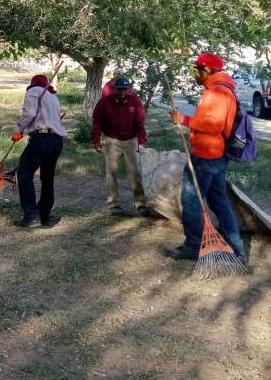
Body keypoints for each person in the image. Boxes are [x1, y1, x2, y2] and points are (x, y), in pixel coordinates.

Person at [165, 52, 246, 262]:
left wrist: (184, 119)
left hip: (206, 155)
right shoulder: (223, 89)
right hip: (217, 155)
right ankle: (236, 248)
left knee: (191, 201)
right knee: (219, 200)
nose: (196, 75)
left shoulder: (217, 92)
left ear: (207, 69)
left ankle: (193, 246)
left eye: (198, 70)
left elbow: (213, 124)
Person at [11, 74, 67, 228]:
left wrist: (19, 130)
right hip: (56, 140)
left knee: (24, 174)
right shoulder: (52, 96)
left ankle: (31, 215)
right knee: (47, 177)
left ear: (33, 84)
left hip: (42, 139)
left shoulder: (34, 91)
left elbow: (29, 113)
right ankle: (45, 215)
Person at [91, 77, 151, 216]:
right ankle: (114, 204)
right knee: (111, 172)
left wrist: (141, 142)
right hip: (112, 141)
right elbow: (97, 122)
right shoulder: (105, 102)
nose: (122, 92)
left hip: (131, 141)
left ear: (129, 90)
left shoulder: (135, 102)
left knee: (135, 173)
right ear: (114, 89)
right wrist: (96, 140)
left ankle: (140, 204)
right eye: (119, 89)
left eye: (125, 89)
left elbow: (140, 123)